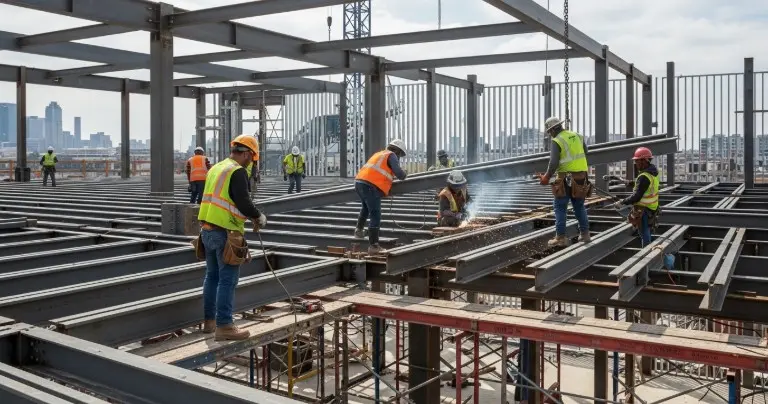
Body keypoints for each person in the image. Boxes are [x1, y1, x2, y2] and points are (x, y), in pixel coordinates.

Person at [198, 134, 267, 341]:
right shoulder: (236, 172)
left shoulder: (217, 168)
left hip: (207, 230)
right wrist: (258, 216)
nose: (251, 164)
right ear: (246, 153)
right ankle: (225, 325)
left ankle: (209, 322)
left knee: (212, 277)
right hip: (225, 233)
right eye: (251, 159)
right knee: (228, 280)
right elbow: (243, 202)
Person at [539, 116, 591, 247]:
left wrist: (546, 177)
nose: (550, 135)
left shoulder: (557, 140)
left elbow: (554, 162)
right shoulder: (578, 136)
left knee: (560, 207)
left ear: (552, 130)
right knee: (579, 206)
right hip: (581, 177)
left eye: (549, 132)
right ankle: (585, 235)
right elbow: (585, 151)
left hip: (565, 178)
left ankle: (560, 237)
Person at [353, 139, 408, 254]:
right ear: (397, 151)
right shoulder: (391, 155)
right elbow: (399, 173)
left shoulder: (379, 154)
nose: (399, 157)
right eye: (400, 155)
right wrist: (404, 174)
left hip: (359, 182)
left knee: (366, 208)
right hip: (371, 186)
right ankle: (374, 246)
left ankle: (358, 231)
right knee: (375, 215)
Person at [612, 147, 659, 246]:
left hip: (644, 209)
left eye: (637, 161)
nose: (636, 164)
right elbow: (645, 186)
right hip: (652, 207)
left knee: (643, 232)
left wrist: (622, 202)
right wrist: (630, 182)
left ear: (644, 160)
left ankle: (647, 252)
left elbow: (637, 196)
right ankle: (649, 248)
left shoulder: (644, 176)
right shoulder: (653, 173)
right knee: (648, 230)